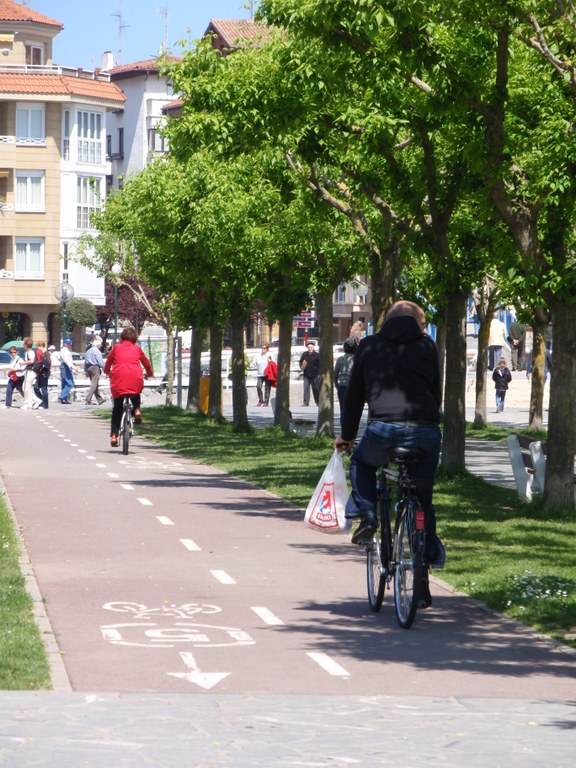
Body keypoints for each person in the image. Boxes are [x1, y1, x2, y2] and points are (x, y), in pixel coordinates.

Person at [334, 300, 443, 609]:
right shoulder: (428, 346)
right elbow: (437, 392)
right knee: (423, 497)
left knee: (363, 462)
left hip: (384, 430)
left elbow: (354, 396)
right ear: (418, 323)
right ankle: (426, 562)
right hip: (425, 431)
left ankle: (367, 514)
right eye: (423, 324)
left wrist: (348, 436)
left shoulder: (369, 346)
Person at [103, 327, 153, 447]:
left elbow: (108, 364)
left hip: (119, 380)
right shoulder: (137, 349)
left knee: (117, 409)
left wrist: (107, 372)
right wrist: (150, 373)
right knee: (135, 392)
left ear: (122, 337)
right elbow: (146, 362)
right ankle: (136, 409)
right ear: (135, 338)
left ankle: (114, 436)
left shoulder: (116, 348)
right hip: (135, 378)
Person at [334, 337, 357, 430]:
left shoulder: (340, 359)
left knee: (343, 409)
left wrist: (337, 385)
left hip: (342, 386)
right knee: (354, 409)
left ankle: (344, 429)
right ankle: (353, 429)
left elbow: (335, 374)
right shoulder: (357, 359)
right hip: (354, 387)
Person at [84, 337, 107, 405]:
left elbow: (85, 362)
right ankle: (88, 399)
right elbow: (100, 362)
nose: (100, 347)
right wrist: (105, 369)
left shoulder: (88, 351)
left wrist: (85, 370)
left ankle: (100, 400)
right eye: (100, 346)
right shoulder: (97, 352)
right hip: (95, 367)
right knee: (94, 384)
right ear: (98, 345)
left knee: (95, 384)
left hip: (89, 368)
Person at [22, 337, 42, 410]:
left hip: (31, 371)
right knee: (27, 388)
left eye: (24, 343)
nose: (22, 345)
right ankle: (37, 401)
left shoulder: (30, 352)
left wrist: (23, 363)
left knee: (27, 388)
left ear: (26, 344)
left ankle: (27, 404)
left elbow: (31, 361)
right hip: (29, 371)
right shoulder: (28, 352)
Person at [299, 341, 320, 406]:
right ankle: (306, 402)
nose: (310, 348)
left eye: (311, 347)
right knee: (306, 389)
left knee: (316, 389)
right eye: (309, 347)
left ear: (313, 347)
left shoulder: (317, 355)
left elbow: (320, 364)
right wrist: (301, 367)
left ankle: (318, 402)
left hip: (315, 375)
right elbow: (300, 361)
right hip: (306, 374)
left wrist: (318, 372)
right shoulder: (304, 354)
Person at [32, 340, 51, 409]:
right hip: (40, 373)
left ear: (41, 346)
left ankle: (45, 404)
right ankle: (41, 401)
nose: (38, 347)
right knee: (36, 388)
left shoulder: (45, 353)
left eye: (39, 346)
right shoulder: (41, 353)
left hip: (44, 373)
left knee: (43, 389)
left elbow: (48, 362)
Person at [255, 342, 272, 406]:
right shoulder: (258, 355)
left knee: (267, 388)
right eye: (262, 348)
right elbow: (254, 363)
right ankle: (261, 400)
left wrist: (270, 361)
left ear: (267, 349)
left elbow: (273, 363)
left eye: (264, 348)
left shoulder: (270, 355)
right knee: (258, 387)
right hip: (260, 374)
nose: (263, 349)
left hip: (267, 374)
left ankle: (266, 401)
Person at [59, 338, 75, 404]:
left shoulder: (66, 350)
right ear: (65, 344)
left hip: (66, 367)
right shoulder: (64, 351)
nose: (70, 344)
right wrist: (72, 367)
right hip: (65, 367)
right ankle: (62, 396)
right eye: (68, 343)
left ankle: (64, 399)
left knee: (64, 384)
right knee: (70, 383)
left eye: (70, 343)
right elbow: (66, 360)